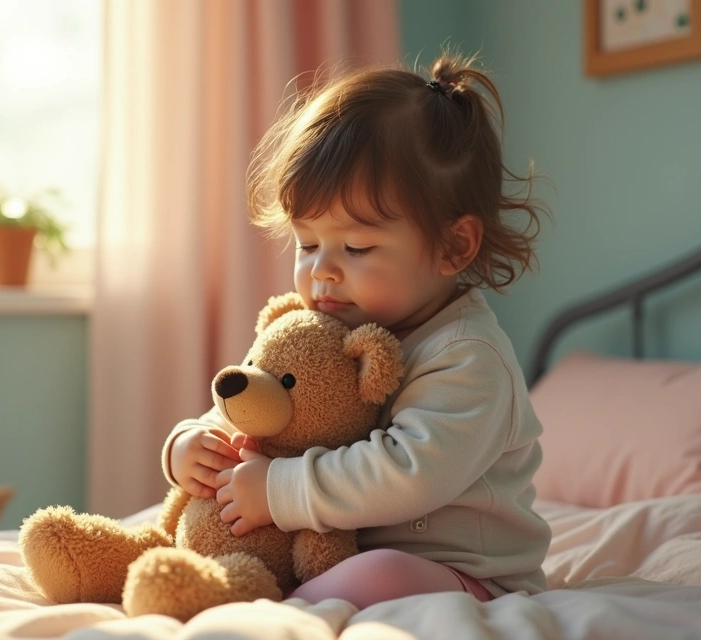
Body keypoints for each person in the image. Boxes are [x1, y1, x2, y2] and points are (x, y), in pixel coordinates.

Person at [160, 52, 551, 609]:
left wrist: (278, 489)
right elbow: (256, 409)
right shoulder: (320, 331)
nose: (321, 271)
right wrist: (191, 447)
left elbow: (409, 473)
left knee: (380, 574)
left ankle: (276, 606)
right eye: (307, 244)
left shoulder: (468, 356)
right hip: (324, 550)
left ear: (454, 245)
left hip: (460, 574)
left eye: (357, 247)